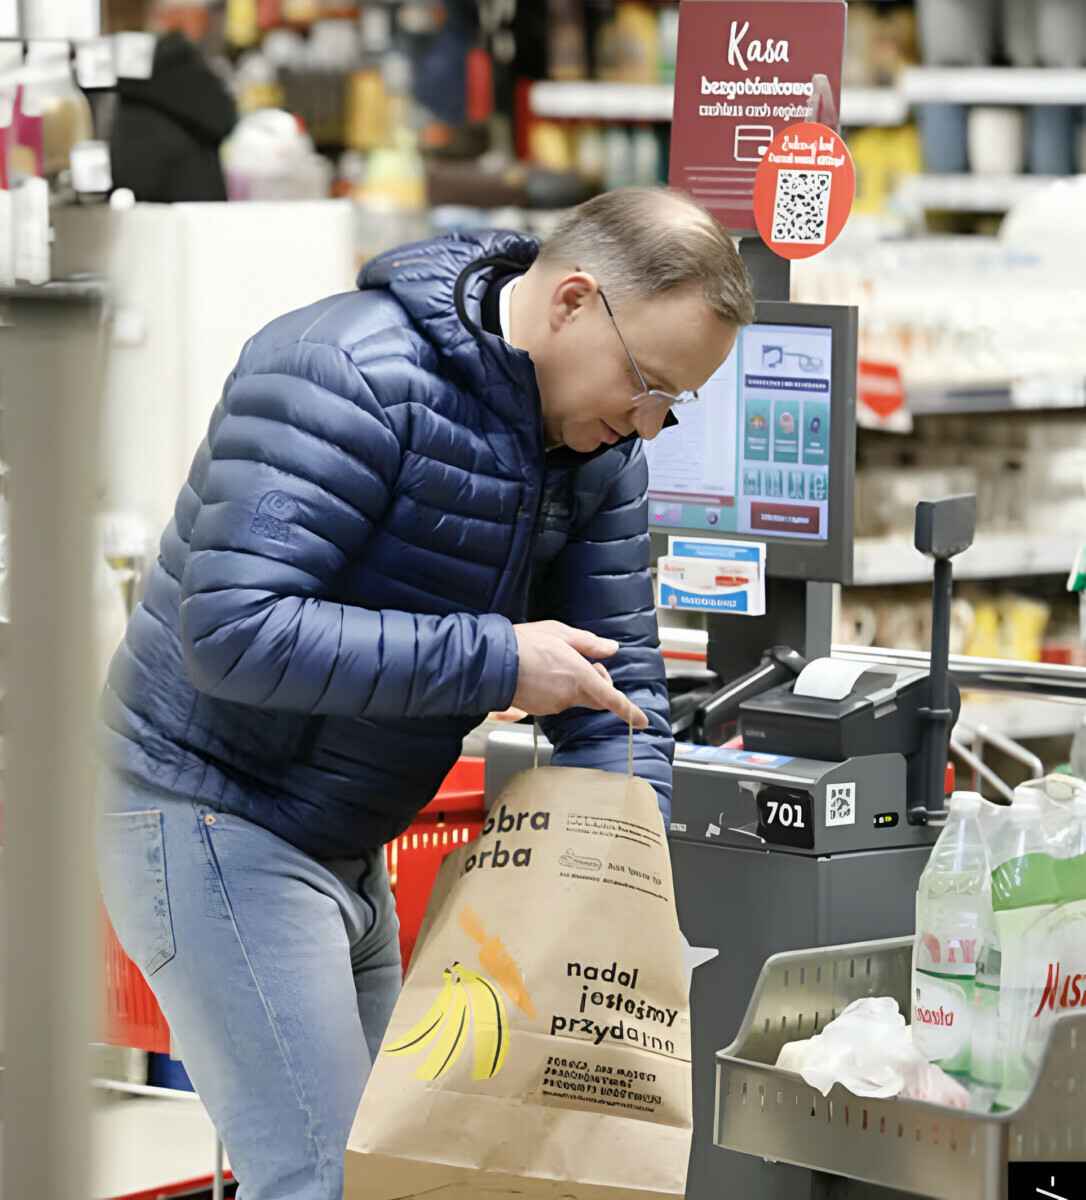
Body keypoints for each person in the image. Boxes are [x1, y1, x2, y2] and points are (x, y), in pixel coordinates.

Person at [97, 186, 754, 1200]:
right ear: (574, 300)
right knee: (325, 1180)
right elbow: (229, 632)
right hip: (209, 809)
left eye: (677, 401)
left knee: (395, 1170)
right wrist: (499, 660)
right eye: (645, 381)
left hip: (348, 832)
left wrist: (621, 890)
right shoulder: (344, 373)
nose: (650, 421)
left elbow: (616, 693)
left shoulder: (600, 449)